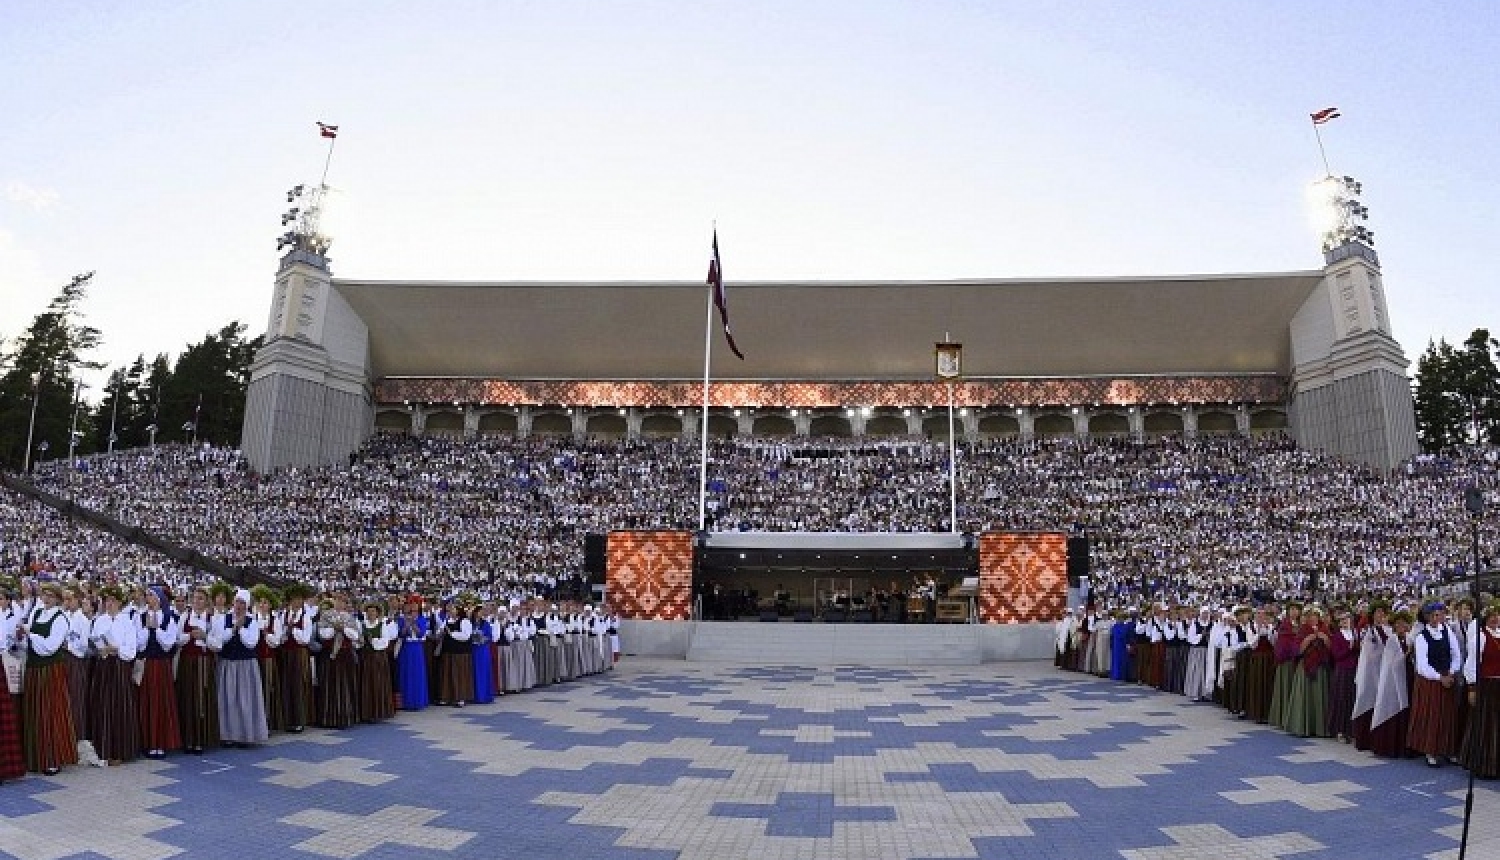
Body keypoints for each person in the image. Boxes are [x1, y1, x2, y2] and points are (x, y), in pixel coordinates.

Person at [19, 582, 77, 774]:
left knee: (51, 712)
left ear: (58, 599)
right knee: (35, 711)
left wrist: (30, 634)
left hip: (50, 669)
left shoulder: (61, 619)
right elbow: (28, 638)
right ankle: (35, 756)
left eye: (50, 596)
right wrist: (22, 632)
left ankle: (53, 757)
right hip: (34, 669)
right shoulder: (37, 613)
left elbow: (50, 646)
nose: (46, 599)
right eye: (44, 595)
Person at [87, 585, 140, 764]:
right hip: (103, 665)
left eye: (112, 601)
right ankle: (103, 748)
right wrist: (101, 649)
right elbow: (94, 640)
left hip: (119, 666)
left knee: (119, 706)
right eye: (106, 601)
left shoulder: (126, 621)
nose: (109, 604)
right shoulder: (100, 620)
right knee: (102, 705)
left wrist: (116, 649)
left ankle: (119, 750)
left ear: (119, 603)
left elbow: (131, 650)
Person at [210, 588, 269, 748]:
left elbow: (251, 642)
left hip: (245, 666)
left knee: (245, 700)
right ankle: (227, 735)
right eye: (237, 602)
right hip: (228, 663)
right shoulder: (223, 619)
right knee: (227, 701)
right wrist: (234, 628)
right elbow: (219, 639)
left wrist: (241, 628)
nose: (239, 606)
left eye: (242, 603)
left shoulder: (252, 621)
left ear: (247, 605)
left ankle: (246, 735)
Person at [1408, 601, 1461, 767]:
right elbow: (1422, 666)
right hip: (1430, 681)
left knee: (1449, 715)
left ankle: (1448, 749)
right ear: (1427, 617)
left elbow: (1456, 653)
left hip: (1447, 677)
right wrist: (1440, 677)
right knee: (1432, 716)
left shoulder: (1448, 632)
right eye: (1435, 615)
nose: (1438, 618)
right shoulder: (1422, 637)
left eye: (1441, 614)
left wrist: (1451, 671)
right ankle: (1430, 750)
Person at [135, 585, 181, 758]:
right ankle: (147, 742)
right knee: (147, 701)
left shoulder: (169, 617)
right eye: (147, 596)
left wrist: (155, 628)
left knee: (160, 702)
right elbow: (139, 643)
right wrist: (147, 629)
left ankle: (160, 742)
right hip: (147, 664)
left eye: (152, 596)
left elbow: (169, 643)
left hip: (162, 664)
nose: (149, 599)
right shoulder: (140, 617)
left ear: (160, 598)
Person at [176, 586, 219, 754]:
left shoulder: (212, 619)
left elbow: (218, 644)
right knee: (187, 698)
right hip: (187, 662)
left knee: (202, 698)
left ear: (206, 601)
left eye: (200, 598)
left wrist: (205, 637)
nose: (197, 601)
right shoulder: (185, 617)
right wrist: (189, 636)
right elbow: (177, 639)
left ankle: (201, 738)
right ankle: (188, 739)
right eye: (194, 598)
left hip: (204, 663)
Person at [1460, 602, 1500, 778]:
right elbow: (1471, 663)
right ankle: (1483, 764)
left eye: (1497, 615)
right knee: (1486, 725)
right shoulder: (1481, 637)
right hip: (1486, 686)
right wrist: (1472, 687)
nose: (1495, 619)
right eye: (1491, 616)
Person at [1368, 609, 1415, 759]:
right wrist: (1406, 654)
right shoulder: (1392, 640)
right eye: (1398, 624)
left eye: (1404, 624)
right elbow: (1390, 663)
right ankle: (1391, 746)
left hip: (1407, 677)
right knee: (1395, 709)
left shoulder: (1409, 639)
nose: (1402, 627)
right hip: (1393, 680)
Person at [1284, 606, 1331, 738]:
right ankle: (1302, 725)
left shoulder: (1324, 629)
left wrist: (1325, 640)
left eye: (1315, 616)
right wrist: (1307, 640)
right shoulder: (1302, 630)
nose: (1313, 618)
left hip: (1320, 667)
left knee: (1319, 695)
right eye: (1310, 616)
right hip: (1305, 666)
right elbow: (1297, 651)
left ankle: (1320, 727)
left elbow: (1330, 649)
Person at [1351, 601, 1389, 751]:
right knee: (1367, 701)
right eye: (1378, 612)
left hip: (1383, 671)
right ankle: (1364, 739)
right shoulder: (1368, 631)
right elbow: (1368, 653)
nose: (1380, 615)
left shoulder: (1388, 630)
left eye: (1383, 613)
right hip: (1370, 671)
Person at [277, 584, 315, 732]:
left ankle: (300, 720)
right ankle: (287, 719)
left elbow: (305, 639)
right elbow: (280, 637)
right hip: (286, 654)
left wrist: (293, 629)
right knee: (286, 685)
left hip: (299, 654)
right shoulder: (283, 615)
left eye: (299, 599)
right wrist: (285, 633)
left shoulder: (306, 617)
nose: (297, 602)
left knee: (298, 685)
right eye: (294, 599)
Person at [250, 586, 284, 734]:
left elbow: (277, 641)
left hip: (269, 659)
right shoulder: (252, 619)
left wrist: (266, 635)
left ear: (270, 605)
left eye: (265, 603)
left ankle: (268, 722)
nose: (262, 605)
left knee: (268, 688)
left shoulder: (275, 620)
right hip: (254, 659)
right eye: (260, 602)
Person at [357, 601, 396, 722]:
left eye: (373, 612)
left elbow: (386, 641)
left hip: (378, 658)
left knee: (378, 683)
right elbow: (357, 641)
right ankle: (366, 712)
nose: (371, 614)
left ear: (377, 613)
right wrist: (361, 641)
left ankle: (378, 711)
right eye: (368, 612)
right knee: (366, 683)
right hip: (365, 657)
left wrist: (373, 641)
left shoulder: (382, 625)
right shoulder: (362, 625)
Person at [1326, 607, 1360, 742]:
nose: (1347, 622)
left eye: (1348, 619)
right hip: (1342, 671)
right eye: (1344, 620)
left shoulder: (1355, 634)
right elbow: (1336, 655)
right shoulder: (1337, 636)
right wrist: (1349, 648)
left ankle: (1351, 730)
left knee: (1352, 700)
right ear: (1339, 622)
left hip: (1354, 670)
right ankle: (1339, 730)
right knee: (1341, 700)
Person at [395, 598, 430, 710]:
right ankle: (405, 702)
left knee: (417, 674)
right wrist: (406, 624)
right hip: (406, 648)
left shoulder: (422, 619)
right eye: (411, 608)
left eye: (415, 609)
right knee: (405, 673)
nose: (413, 611)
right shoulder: (401, 619)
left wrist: (413, 623)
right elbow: (401, 634)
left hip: (417, 648)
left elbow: (421, 634)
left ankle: (418, 701)